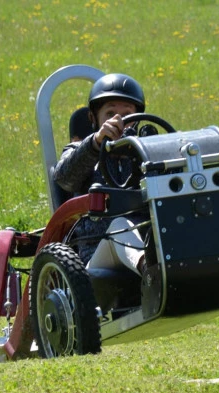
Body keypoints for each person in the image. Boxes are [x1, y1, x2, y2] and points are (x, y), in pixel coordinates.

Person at [53, 73, 146, 266]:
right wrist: (96, 143)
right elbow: (64, 178)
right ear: (93, 118)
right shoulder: (80, 151)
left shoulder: (146, 153)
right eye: (110, 114)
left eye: (127, 115)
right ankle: (148, 267)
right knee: (119, 226)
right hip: (96, 260)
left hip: (148, 241)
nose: (119, 121)